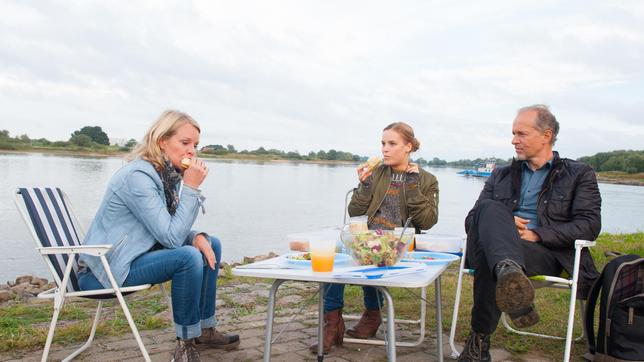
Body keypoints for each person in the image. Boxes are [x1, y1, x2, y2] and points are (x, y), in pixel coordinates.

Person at [77, 110, 239, 362]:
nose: (191, 151)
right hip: (104, 273)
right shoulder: (138, 177)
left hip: (133, 260)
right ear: (162, 141)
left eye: (195, 145)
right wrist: (192, 187)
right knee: (186, 257)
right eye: (184, 143)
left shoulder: (167, 175)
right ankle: (185, 344)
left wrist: (195, 235)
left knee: (210, 243)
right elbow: (172, 239)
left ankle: (205, 330)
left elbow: (169, 229)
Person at [458, 105, 601, 361]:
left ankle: (477, 346)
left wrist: (537, 235)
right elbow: (472, 220)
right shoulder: (500, 174)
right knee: (490, 211)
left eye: (521, 133)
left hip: (545, 252)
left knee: (494, 258)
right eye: (513, 133)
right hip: (500, 247)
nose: (514, 140)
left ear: (546, 135)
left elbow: (589, 224)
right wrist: (505, 223)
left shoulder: (579, 173)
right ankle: (509, 274)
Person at [310, 121, 439, 354]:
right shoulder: (377, 173)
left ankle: (372, 314)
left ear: (408, 146)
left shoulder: (426, 179)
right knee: (336, 248)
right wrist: (365, 184)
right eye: (383, 143)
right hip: (367, 238)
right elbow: (355, 213)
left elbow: (427, 222)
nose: (385, 149)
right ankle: (332, 323)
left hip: (400, 243)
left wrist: (411, 187)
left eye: (392, 143)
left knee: (370, 248)